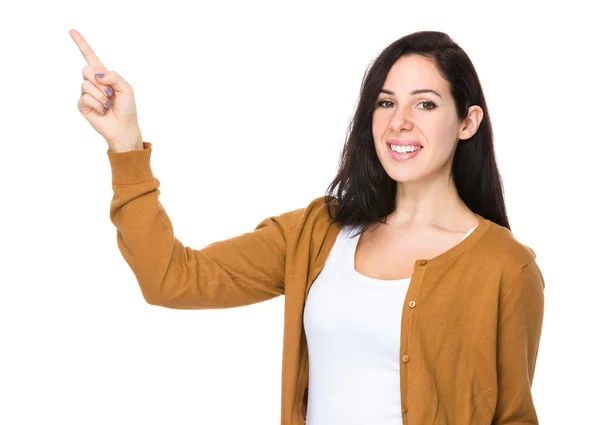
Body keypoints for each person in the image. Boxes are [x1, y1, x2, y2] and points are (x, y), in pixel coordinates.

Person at [71, 28, 545, 425]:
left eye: (425, 105)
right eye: (385, 103)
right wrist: (125, 145)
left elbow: (513, 417)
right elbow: (170, 279)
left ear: (468, 121)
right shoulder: (318, 234)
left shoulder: (505, 267)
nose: (399, 123)